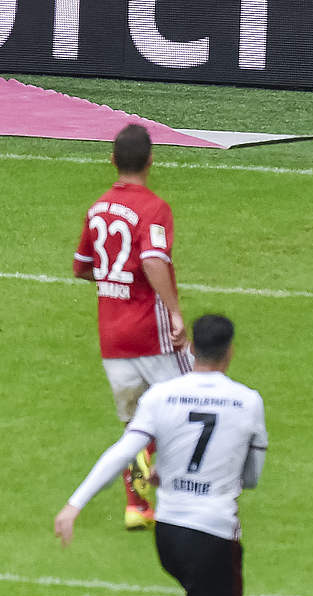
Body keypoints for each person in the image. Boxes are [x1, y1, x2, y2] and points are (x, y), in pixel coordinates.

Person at [53, 314, 303, 596]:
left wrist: (74, 504)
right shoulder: (247, 400)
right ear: (230, 351)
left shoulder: (162, 396)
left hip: (169, 536)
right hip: (213, 534)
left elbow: (124, 452)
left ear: (191, 350)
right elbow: (251, 478)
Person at [73, 123, 191, 530]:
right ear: (151, 159)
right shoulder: (153, 207)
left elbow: (83, 267)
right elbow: (154, 260)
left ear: (112, 160)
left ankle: (137, 507)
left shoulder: (97, 208)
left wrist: (114, 279)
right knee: (192, 400)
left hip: (111, 335)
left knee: (136, 423)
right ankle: (189, 497)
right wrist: (174, 311)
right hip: (149, 331)